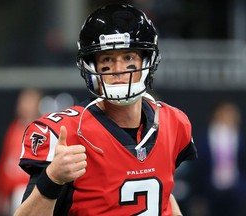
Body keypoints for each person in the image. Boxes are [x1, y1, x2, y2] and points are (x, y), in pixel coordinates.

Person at [14, 4, 197, 216]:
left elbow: (162, 194)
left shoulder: (172, 122)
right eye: (107, 59)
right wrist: (53, 178)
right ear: (92, 67)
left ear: (147, 60)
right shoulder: (66, 132)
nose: (119, 70)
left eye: (128, 57)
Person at [0, 88, 43, 216]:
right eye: (22, 101)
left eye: (29, 102)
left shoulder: (42, 129)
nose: (23, 105)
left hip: (33, 189)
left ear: (38, 104)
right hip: (13, 192)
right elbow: (5, 163)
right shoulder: (13, 129)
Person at [193, 101, 246, 216]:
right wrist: (199, 196)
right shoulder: (204, 138)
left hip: (236, 192)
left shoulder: (240, 138)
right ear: (217, 114)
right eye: (226, 112)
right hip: (210, 192)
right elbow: (198, 168)